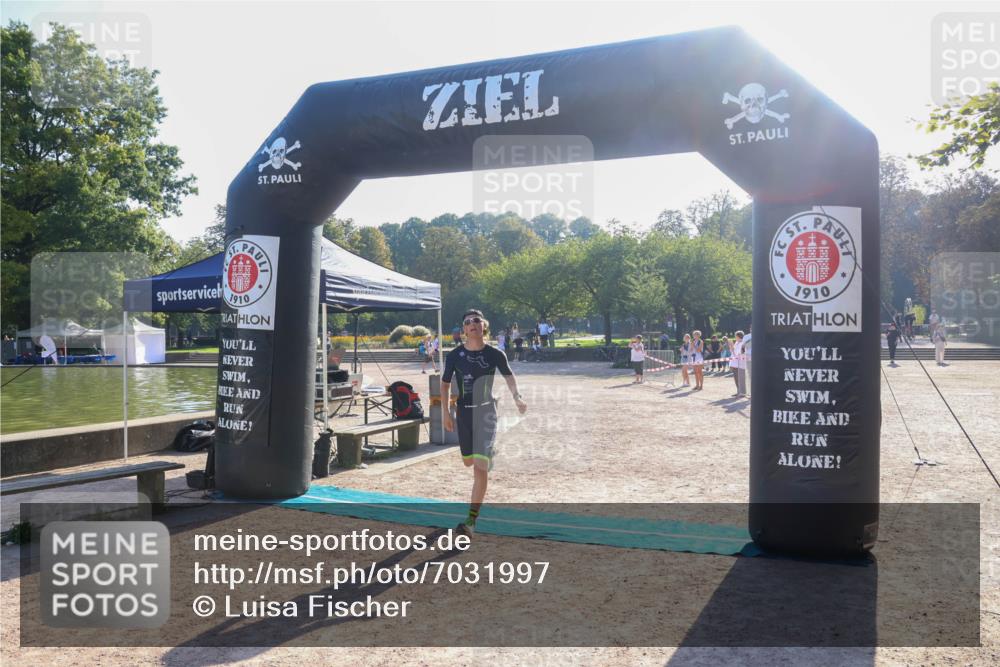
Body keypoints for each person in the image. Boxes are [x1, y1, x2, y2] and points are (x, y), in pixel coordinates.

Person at [442, 309, 527, 535]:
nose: (473, 324)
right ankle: (488, 454)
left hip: (486, 412)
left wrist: (517, 397)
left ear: (483, 326)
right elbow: (444, 384)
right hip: (463, 413)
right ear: (464, 330)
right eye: (468, 322)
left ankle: (470, 521)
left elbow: (509, 375)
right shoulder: (454, 356)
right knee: (469, 463)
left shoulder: (495, 354)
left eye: (477, 321)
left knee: (480, 468)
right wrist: (445, 413)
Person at [731, 331, 746, 396]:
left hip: (740, 363)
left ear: (738, 336)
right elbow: (733, 352)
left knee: (740, 378)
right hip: (734, 363)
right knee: (736, 377)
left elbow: (738, 354)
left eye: (735, 336)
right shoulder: (736, 342)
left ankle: (742, 392)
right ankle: (738, 391)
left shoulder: (743, 343)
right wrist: (731, 347)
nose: (735, 337)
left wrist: (732, 348)